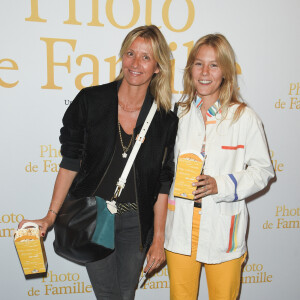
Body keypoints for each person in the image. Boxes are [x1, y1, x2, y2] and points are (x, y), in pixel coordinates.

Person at [19, 25, 178, 300]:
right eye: (130, 53)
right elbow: (70, 163)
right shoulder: (91, 101)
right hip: (94, 217)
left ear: (158, 67)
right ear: (122, 56)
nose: (135, 63)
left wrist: (159, 238)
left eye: (145, 57)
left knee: (126, 294)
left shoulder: (165, 119)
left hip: (136, 222)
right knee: (107, 294)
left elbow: (163, 183)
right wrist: (51, 216)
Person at [164, 33, 274, 300]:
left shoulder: (244, 117)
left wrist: (221, 185)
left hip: (223, 232)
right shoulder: (178, 113)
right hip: (180, 229)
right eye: (198, 63)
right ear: (190, 69)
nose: (204, 72)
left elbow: (263, 171)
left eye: (214, 65)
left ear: (225, 71)